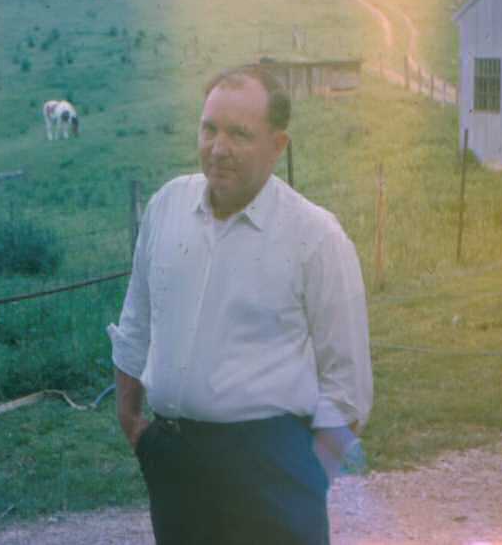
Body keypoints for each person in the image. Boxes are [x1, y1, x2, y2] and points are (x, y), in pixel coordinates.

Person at [108, 64, 372, 544]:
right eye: (209, 129)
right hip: (175, 465)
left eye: (239, 134)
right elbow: (135, 325)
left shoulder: (315, 237)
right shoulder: (166, 208)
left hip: (273, 473)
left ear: (277, 145)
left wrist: (305, 477)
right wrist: (134, 425)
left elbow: (348, 388)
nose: (218, 148)